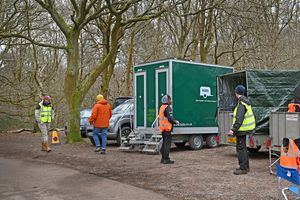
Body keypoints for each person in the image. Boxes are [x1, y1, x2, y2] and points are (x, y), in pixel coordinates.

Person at [228, 85, 256, 175]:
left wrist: (233, 130)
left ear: (236, 93)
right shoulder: (246, 102)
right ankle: (246, 167)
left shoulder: (241, 104)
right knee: (243, 148)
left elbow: (239, 119)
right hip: (246, 128)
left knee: (241, 148)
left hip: (242, 129)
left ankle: (243, 168)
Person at [159, 95, 179, 164]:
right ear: (167, 100)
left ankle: (163, 158)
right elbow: (169, 118)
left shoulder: (161, 107)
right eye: (170, 99)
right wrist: (175, 122)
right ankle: (166, 159)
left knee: (164, 144)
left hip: (163, 129)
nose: (171, 101)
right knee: (167, 145)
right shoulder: (167, 107)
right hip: (167, 129)